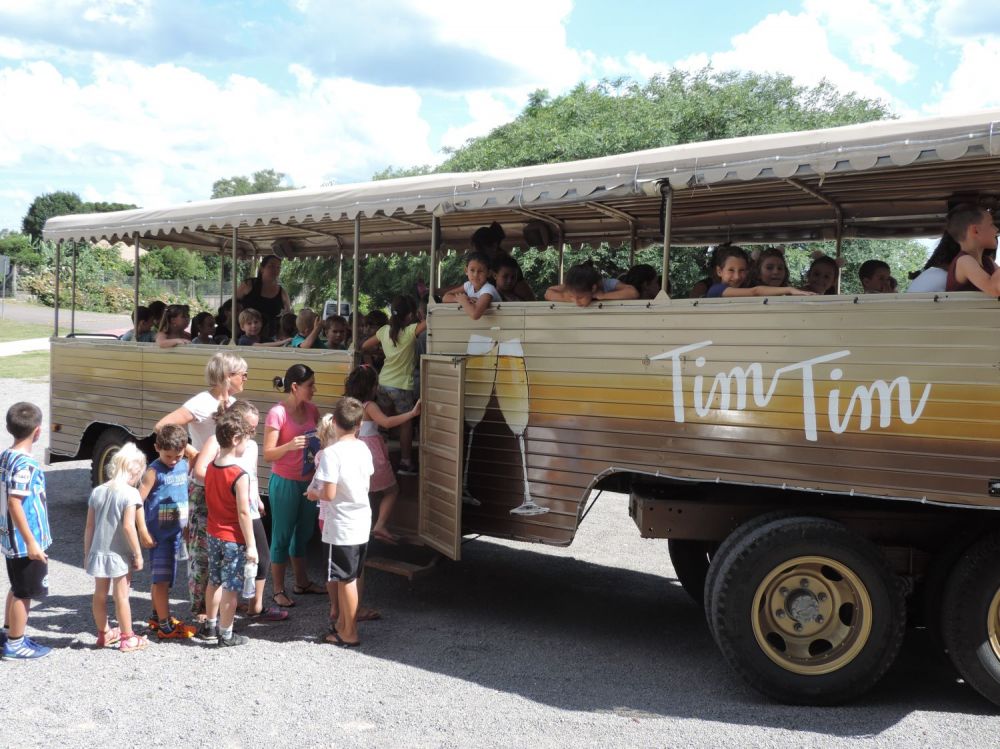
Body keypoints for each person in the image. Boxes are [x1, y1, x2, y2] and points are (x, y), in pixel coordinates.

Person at [154, 351, 249, 622]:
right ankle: (201, 609)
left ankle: (221, 601)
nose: (245, 378)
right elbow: (163, 426)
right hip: (203, 482)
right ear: (226, 376)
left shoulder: (234, 402)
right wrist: (193, 453)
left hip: (227, 481)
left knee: (226, 541)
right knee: (201, 546)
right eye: (241, 373)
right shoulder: (202, 401)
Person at [193, 401, 287, 623]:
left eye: (255, 428)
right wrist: (226, 487)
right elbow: (199, 470)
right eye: (250, 427)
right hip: (228, 509)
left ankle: (256, 606)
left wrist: (256, 498)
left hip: (249, 505)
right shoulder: (216, 441)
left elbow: (251, 475)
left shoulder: (250, 446)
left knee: (262, 557)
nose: (253, 432)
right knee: (222, 568)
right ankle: (218, 619)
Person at [307, 399, 374, 648]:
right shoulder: (364, 448)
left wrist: (315, 494)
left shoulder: (332, 453)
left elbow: (330, 493)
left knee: (344, 579)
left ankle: (349, 631)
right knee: (353, 577)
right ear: (360, 424)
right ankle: (346, 625)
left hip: (341, 524)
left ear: (334, 422)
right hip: (361, 519)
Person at [263, 364, 322, 608]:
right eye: (310, 386)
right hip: (285, 482)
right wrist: (289, 446)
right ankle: (277, 590)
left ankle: (301, 582)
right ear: (295, 387)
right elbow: (268, 454)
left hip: (308, 482)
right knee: (282, 535)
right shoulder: (277, 413)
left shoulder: (312, 410)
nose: (314, 390)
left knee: (304, 533)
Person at [344, 364, 421, 544]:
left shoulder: (348, 404)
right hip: (371, 453)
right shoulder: (369, 406)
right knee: (392, 490)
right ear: (373, 387)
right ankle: (379, 525)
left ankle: (359, 526)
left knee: (362, 492)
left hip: (353, 450)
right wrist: (411, 414)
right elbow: (386, 422)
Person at [84, 442, 148, 653]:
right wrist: (138, 553)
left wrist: (87, 554)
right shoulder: (131, 494)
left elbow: (90, 527)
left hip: (98, 552)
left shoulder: (98, 491)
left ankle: (103, 634)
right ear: (136, 470)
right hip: (119, 554)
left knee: (99, 594)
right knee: (121, 596)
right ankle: (128, 637)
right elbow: (129, 527)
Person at [0, 402, 52, 659]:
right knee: (25, 592)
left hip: (11, 538)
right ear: (38, 431)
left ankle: (9, 631)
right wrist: (32, 542)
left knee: (17, 585)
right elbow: (14, 502)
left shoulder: (6, 456)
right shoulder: (26, 465)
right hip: (24, 540)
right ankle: (16, 643)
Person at [203, 410, 258, 647]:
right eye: (246, 438)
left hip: (213, 533)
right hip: (233, 538)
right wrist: (252, 545)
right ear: (236, 439)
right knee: (231, 588)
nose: (247, 444)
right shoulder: (239, 474)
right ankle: (226, 635)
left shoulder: (210, 468)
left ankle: (210, 626)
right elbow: (244, 513)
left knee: (213, 580)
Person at [136, 424, 197, 640]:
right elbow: (137, 501)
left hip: (176, 532)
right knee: (161, 579)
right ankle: (165, 625)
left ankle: (156, 616)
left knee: (167, 576)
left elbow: (196, 456)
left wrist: (185, 449)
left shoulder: (183, 464)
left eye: (177, 455)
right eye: (168, 455)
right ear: (156, 448)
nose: (172, 460)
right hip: (159, 536)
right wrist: (142, 530)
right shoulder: (154, 471)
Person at [361, 296, 426, 475]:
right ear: (411, 315)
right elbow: (430, 321)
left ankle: (376, 460)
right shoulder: (411, 330)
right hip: (402, 386)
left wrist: (382, 351)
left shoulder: (384, 331)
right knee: (405, 424)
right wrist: (422, 316)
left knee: (382, 423)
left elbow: (365, 345)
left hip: (383, 383)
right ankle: (405, 462)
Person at [705, 246, 814, 298]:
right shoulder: (717, 289)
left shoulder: (743, 289)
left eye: (742, 270)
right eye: (731, 270)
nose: (737, 276)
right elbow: (755, 292)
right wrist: (789, 290)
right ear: (719, 271)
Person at [945, 205, 1000, 293]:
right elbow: (994, 288)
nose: (996, 229)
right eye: (991, 224)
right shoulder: (964, 261)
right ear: (975, 231)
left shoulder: (988, 261)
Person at [236, 254, 291, 339]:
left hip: (271, 337)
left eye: (278, 267)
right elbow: (231, 305)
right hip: (246, 335)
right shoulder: (248, 285)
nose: (275, 270)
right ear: (262, 268)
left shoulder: (282, 293)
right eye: (271, 266)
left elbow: (288, 317)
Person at [545, 261, 640, 306]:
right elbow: (548, 293)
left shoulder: (608, 283)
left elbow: (633, 292)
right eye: (573, 297)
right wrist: (569, 297)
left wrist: (603, 296)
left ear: (593, 288)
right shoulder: (573, 286)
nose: (577, 303)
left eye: (581, 298)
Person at [442, 250, 498, 320]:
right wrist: (460, 299)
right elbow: (445, 297)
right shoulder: (469, 285)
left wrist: (464, 301)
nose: (475, 275)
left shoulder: (488, 289)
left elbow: (475, 314)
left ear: (489, 273)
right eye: (472, 270)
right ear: (466, 271)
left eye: (480, 271)